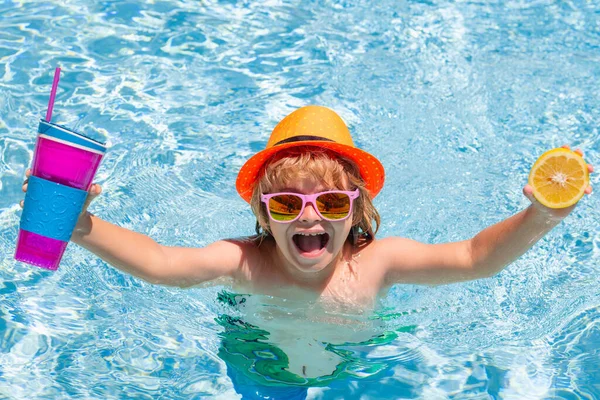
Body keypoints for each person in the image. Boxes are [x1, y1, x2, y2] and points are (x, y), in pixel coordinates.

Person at [20, 105, 594, 309]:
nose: (309, 217)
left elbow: (474, 257)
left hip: (355, 360)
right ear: (265, 215)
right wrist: (77, 224)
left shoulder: (378, 264)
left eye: (330, 202)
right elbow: (161, 264)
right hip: (258, 354)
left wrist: (540, 216)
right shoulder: (244, 262)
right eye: (289, 203)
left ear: (355, 211)